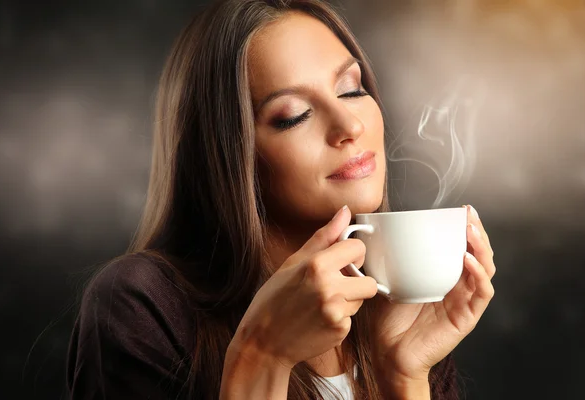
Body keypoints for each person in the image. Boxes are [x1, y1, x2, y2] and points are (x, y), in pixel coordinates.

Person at [66, 0, 496, 399]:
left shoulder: (397, 311)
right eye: (294, 116)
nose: (348, 124)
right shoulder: (141, 304)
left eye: (351, 90)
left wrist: (403, 375)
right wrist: (262, 356)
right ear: (228, 157)